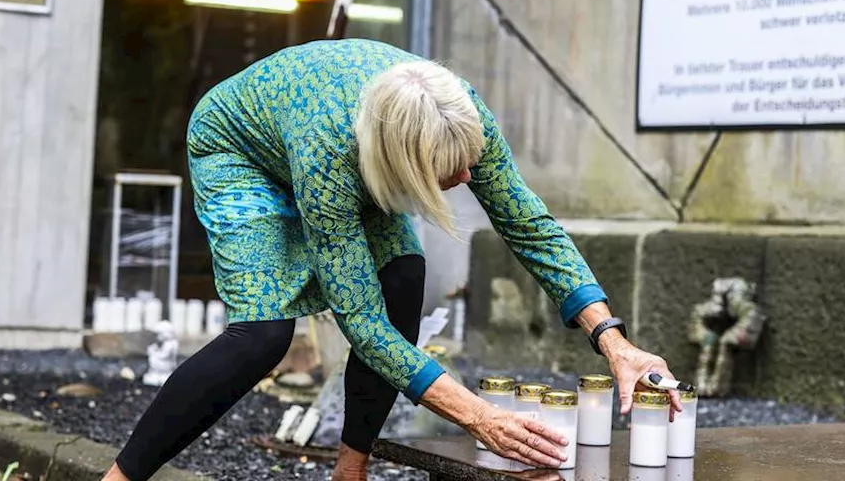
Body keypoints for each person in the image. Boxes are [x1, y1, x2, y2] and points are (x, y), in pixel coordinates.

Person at [103, 38, 684, 481]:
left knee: (404, 278)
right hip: (243, 148)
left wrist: (613, 339)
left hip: (362, 138)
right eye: (448, 172)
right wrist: (479, 416)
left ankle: (348, 471)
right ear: (402, 165)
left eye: (468, 164)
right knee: (263, 337)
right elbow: (362, 324)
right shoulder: (328, 154)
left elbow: (529, 225)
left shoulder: (457, 114)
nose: (463, 179)